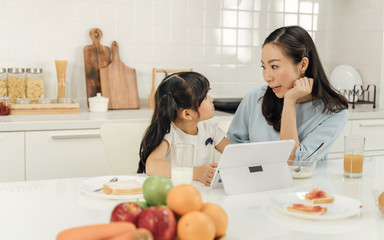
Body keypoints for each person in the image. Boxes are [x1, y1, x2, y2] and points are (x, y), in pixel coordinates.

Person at [227, 26, 349, 162]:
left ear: (302, 65)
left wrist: (290, 101)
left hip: (304, 183)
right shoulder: (256, 96)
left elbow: (295, 163)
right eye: (264, 67)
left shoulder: (334, 112)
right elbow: (232, 147)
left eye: (274, 66)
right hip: (256, 181)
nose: (267, 77)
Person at [138, 72, 232, 185]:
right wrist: (196, 173)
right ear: (187, 114)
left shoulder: (209, 129)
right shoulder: (170, 133)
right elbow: (152, 166)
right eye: (205, 97)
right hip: (176, 192)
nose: (212, 99)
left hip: (203, 192)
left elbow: (235, 153)